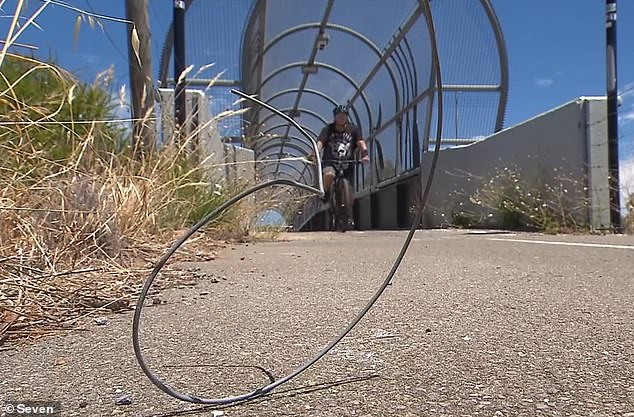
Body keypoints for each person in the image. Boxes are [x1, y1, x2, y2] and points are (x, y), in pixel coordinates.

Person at [309, 104, 369, 203]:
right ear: (335, 117)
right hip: (330, 162)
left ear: (347, 117)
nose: (341, 118)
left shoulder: (353, 130)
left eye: (343, 116)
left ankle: (348, 214)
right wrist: (314, 153)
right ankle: (327, 193)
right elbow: (320, 142)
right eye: (339, 116)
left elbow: (360, 142)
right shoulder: (328, 129)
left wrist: (365, 154)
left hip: (347, 163)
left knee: (349, 190)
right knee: (329, 175)